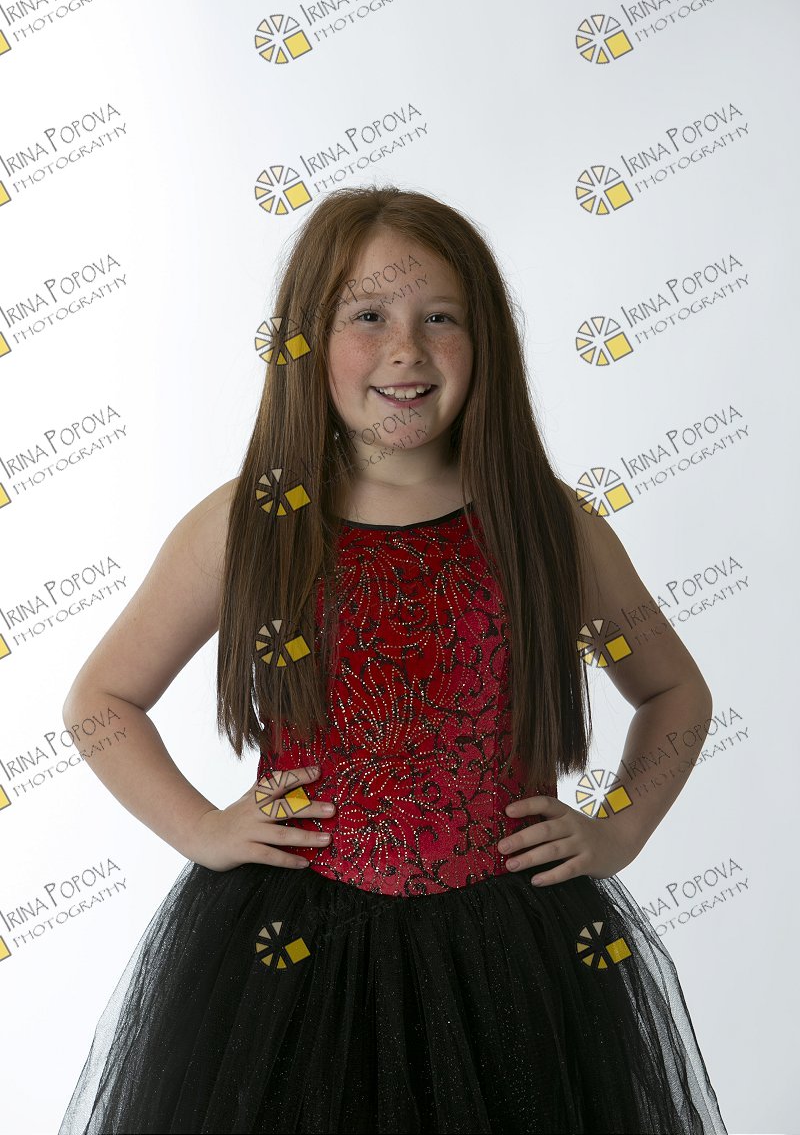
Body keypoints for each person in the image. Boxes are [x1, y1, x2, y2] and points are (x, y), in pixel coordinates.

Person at [57, 185, 728, 1134]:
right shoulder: (253, 523)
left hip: (512, 950)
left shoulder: (545, 526)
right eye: (367, 316)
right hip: (290, 954)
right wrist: (201, 828)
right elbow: (103, 699)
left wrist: (618, 830)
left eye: (439, 318)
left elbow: (673, 692)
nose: (406, 349)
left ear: (486, 339)